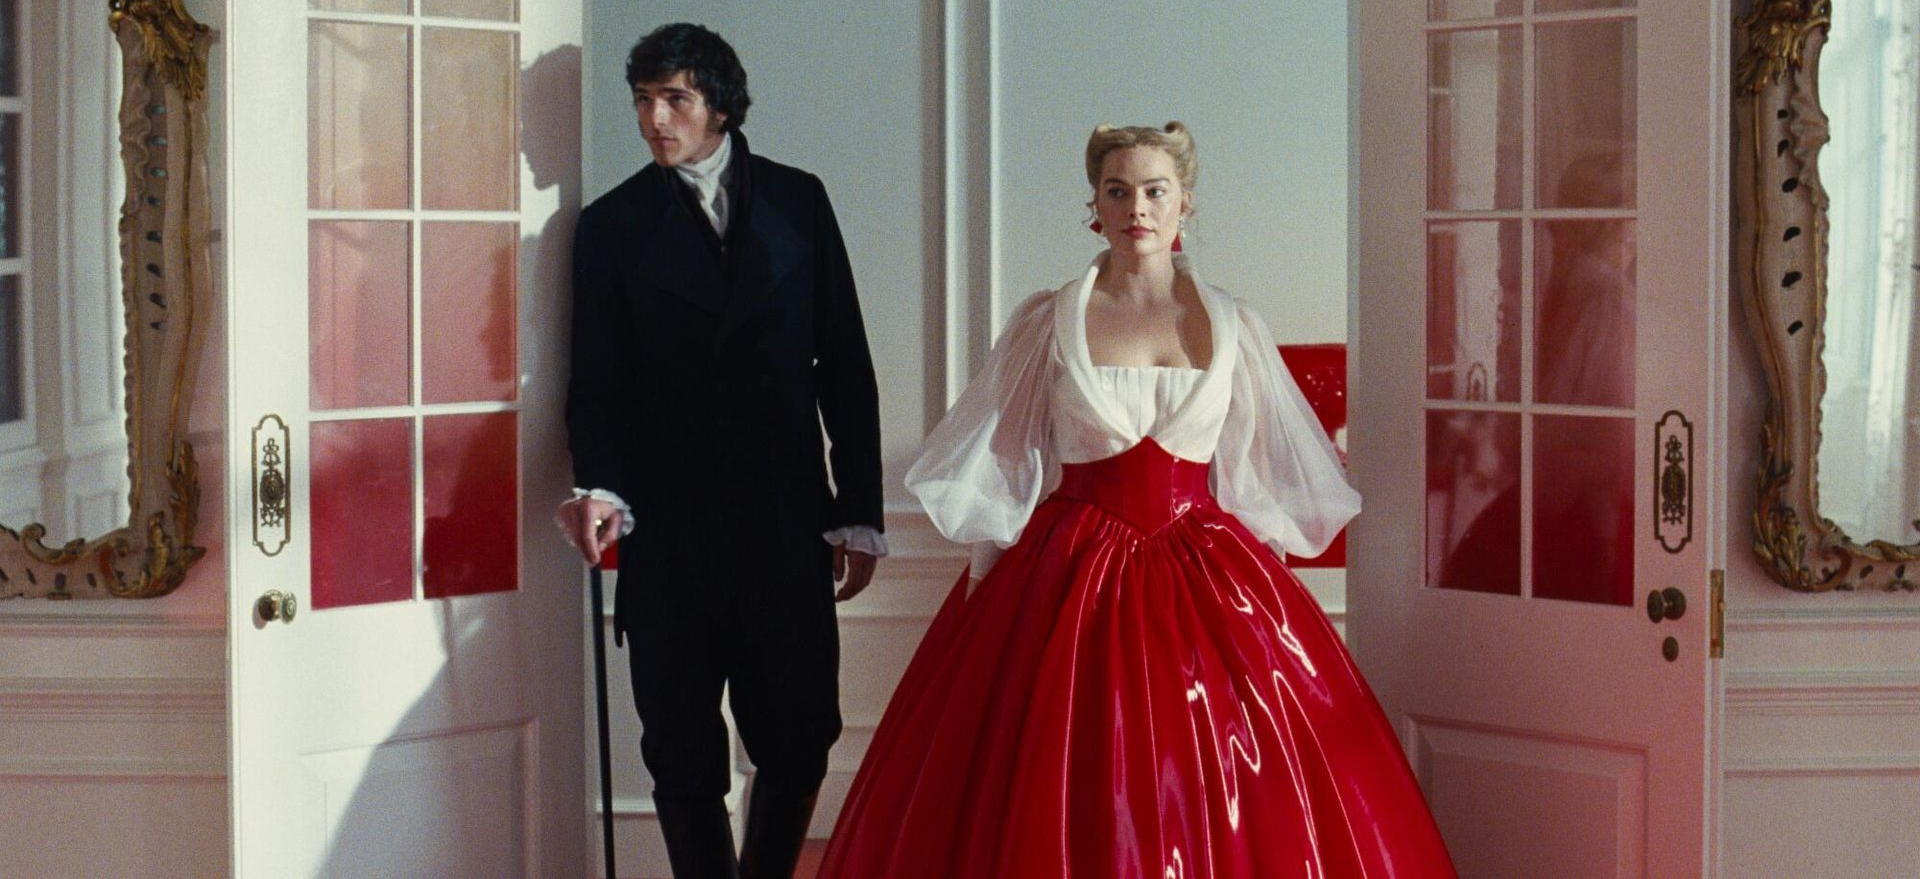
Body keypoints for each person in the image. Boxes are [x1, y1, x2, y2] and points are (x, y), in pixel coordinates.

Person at [818, 122, 1457, 877]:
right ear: (1094, 206)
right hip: (1068, 569)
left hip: (1207, 564)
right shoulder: (1046, 321)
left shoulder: (1237, 325)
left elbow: (1259, 470)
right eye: (1117, 191)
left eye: (1155, 191)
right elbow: (1004, 452)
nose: (1137, 208)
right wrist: (984, 583)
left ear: (1186, 202)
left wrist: (1271, 607)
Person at [557, 23, 886, 879]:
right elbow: (596, 380)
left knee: (799, 735)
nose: (654, 120)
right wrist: (601, 488)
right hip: (671, 529)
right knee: (679, 747)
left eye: (675, 99)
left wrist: (858, 510)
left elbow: (844, 362)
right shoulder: (611, 225)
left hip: (785, 520)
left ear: (721, 106)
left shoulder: (798, 200)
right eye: (642, 101)